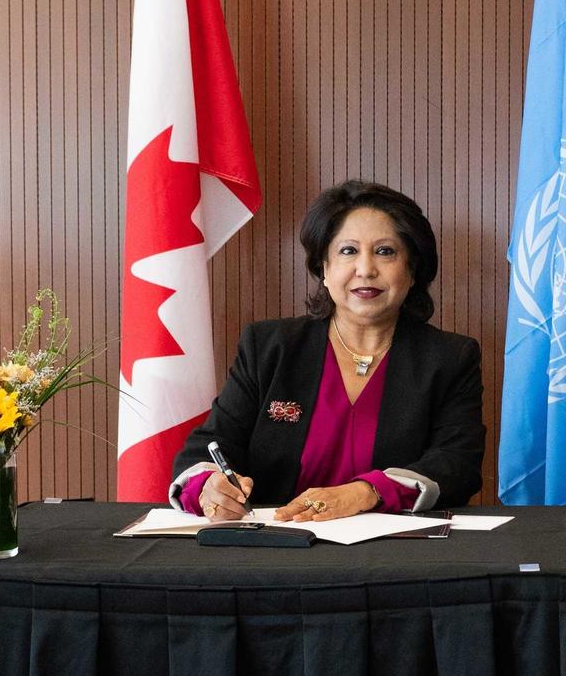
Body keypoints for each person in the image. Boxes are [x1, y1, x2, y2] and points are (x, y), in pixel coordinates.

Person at [170, 180, 484, 521]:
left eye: (385, 251)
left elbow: (457, 464)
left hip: (393, 546)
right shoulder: (270, 347)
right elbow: (209, 447)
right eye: (348, 251)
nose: (366, 269)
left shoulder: (449, 358)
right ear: (324, 268)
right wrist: (210, 487)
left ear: (412, 271)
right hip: (275, 539)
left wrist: (367, 492)